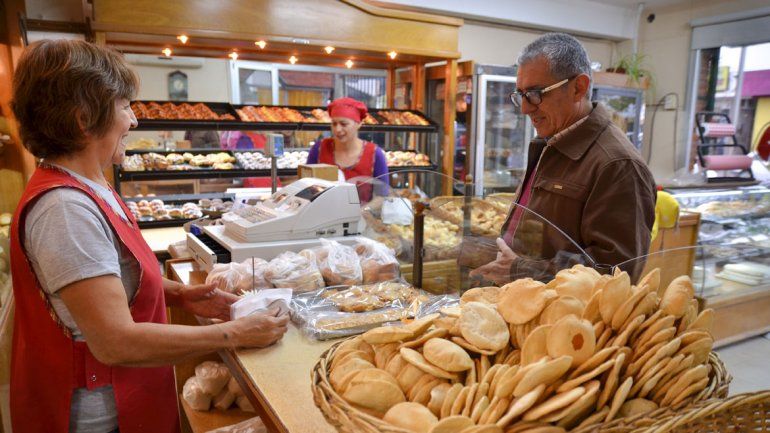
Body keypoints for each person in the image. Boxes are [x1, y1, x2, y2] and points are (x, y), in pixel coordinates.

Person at [9, 39, 289, 433]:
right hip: (101, 415)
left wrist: (179, 294)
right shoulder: (65, 210)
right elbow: (114, 342)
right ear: (84, 118)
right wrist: (234, 334)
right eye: (124, 106)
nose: (134, 120)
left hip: (133, 391)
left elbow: (107, 280)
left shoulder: (91, 185)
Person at [470, 33, 656, 285]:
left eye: (535, 93)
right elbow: (546, 237)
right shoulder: (552, 142)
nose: (525, 109)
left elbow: (616, 272)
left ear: (578, 87)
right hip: (524, 304)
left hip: (564, 320)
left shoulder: (618, 165)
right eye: (521, 95)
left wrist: (522, 270)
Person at [306, 97, 389, 203]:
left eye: (344, 124)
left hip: (361, 217)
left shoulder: (374, 154)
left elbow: (382, 195)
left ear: (358, 124)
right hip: (324, 216)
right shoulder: (319, 149)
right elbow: (306, 186)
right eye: (334, 124)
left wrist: (360, 212)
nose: (337, 129)